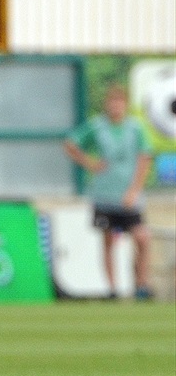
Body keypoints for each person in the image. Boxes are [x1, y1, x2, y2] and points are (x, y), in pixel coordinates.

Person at [64, 83, 153, 300]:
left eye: (120, 103)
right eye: (112, 103)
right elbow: (71, 144)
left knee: (142, 238)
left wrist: (134, 189)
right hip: (105, 194)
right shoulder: (97, 126)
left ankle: (141, 284)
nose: (116, 108)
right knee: (108, 241)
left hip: (128, 197)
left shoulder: (135, 128)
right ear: (107, 105)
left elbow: (145, 158)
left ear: (126, 105)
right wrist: (90, 163)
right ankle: (112, 289)